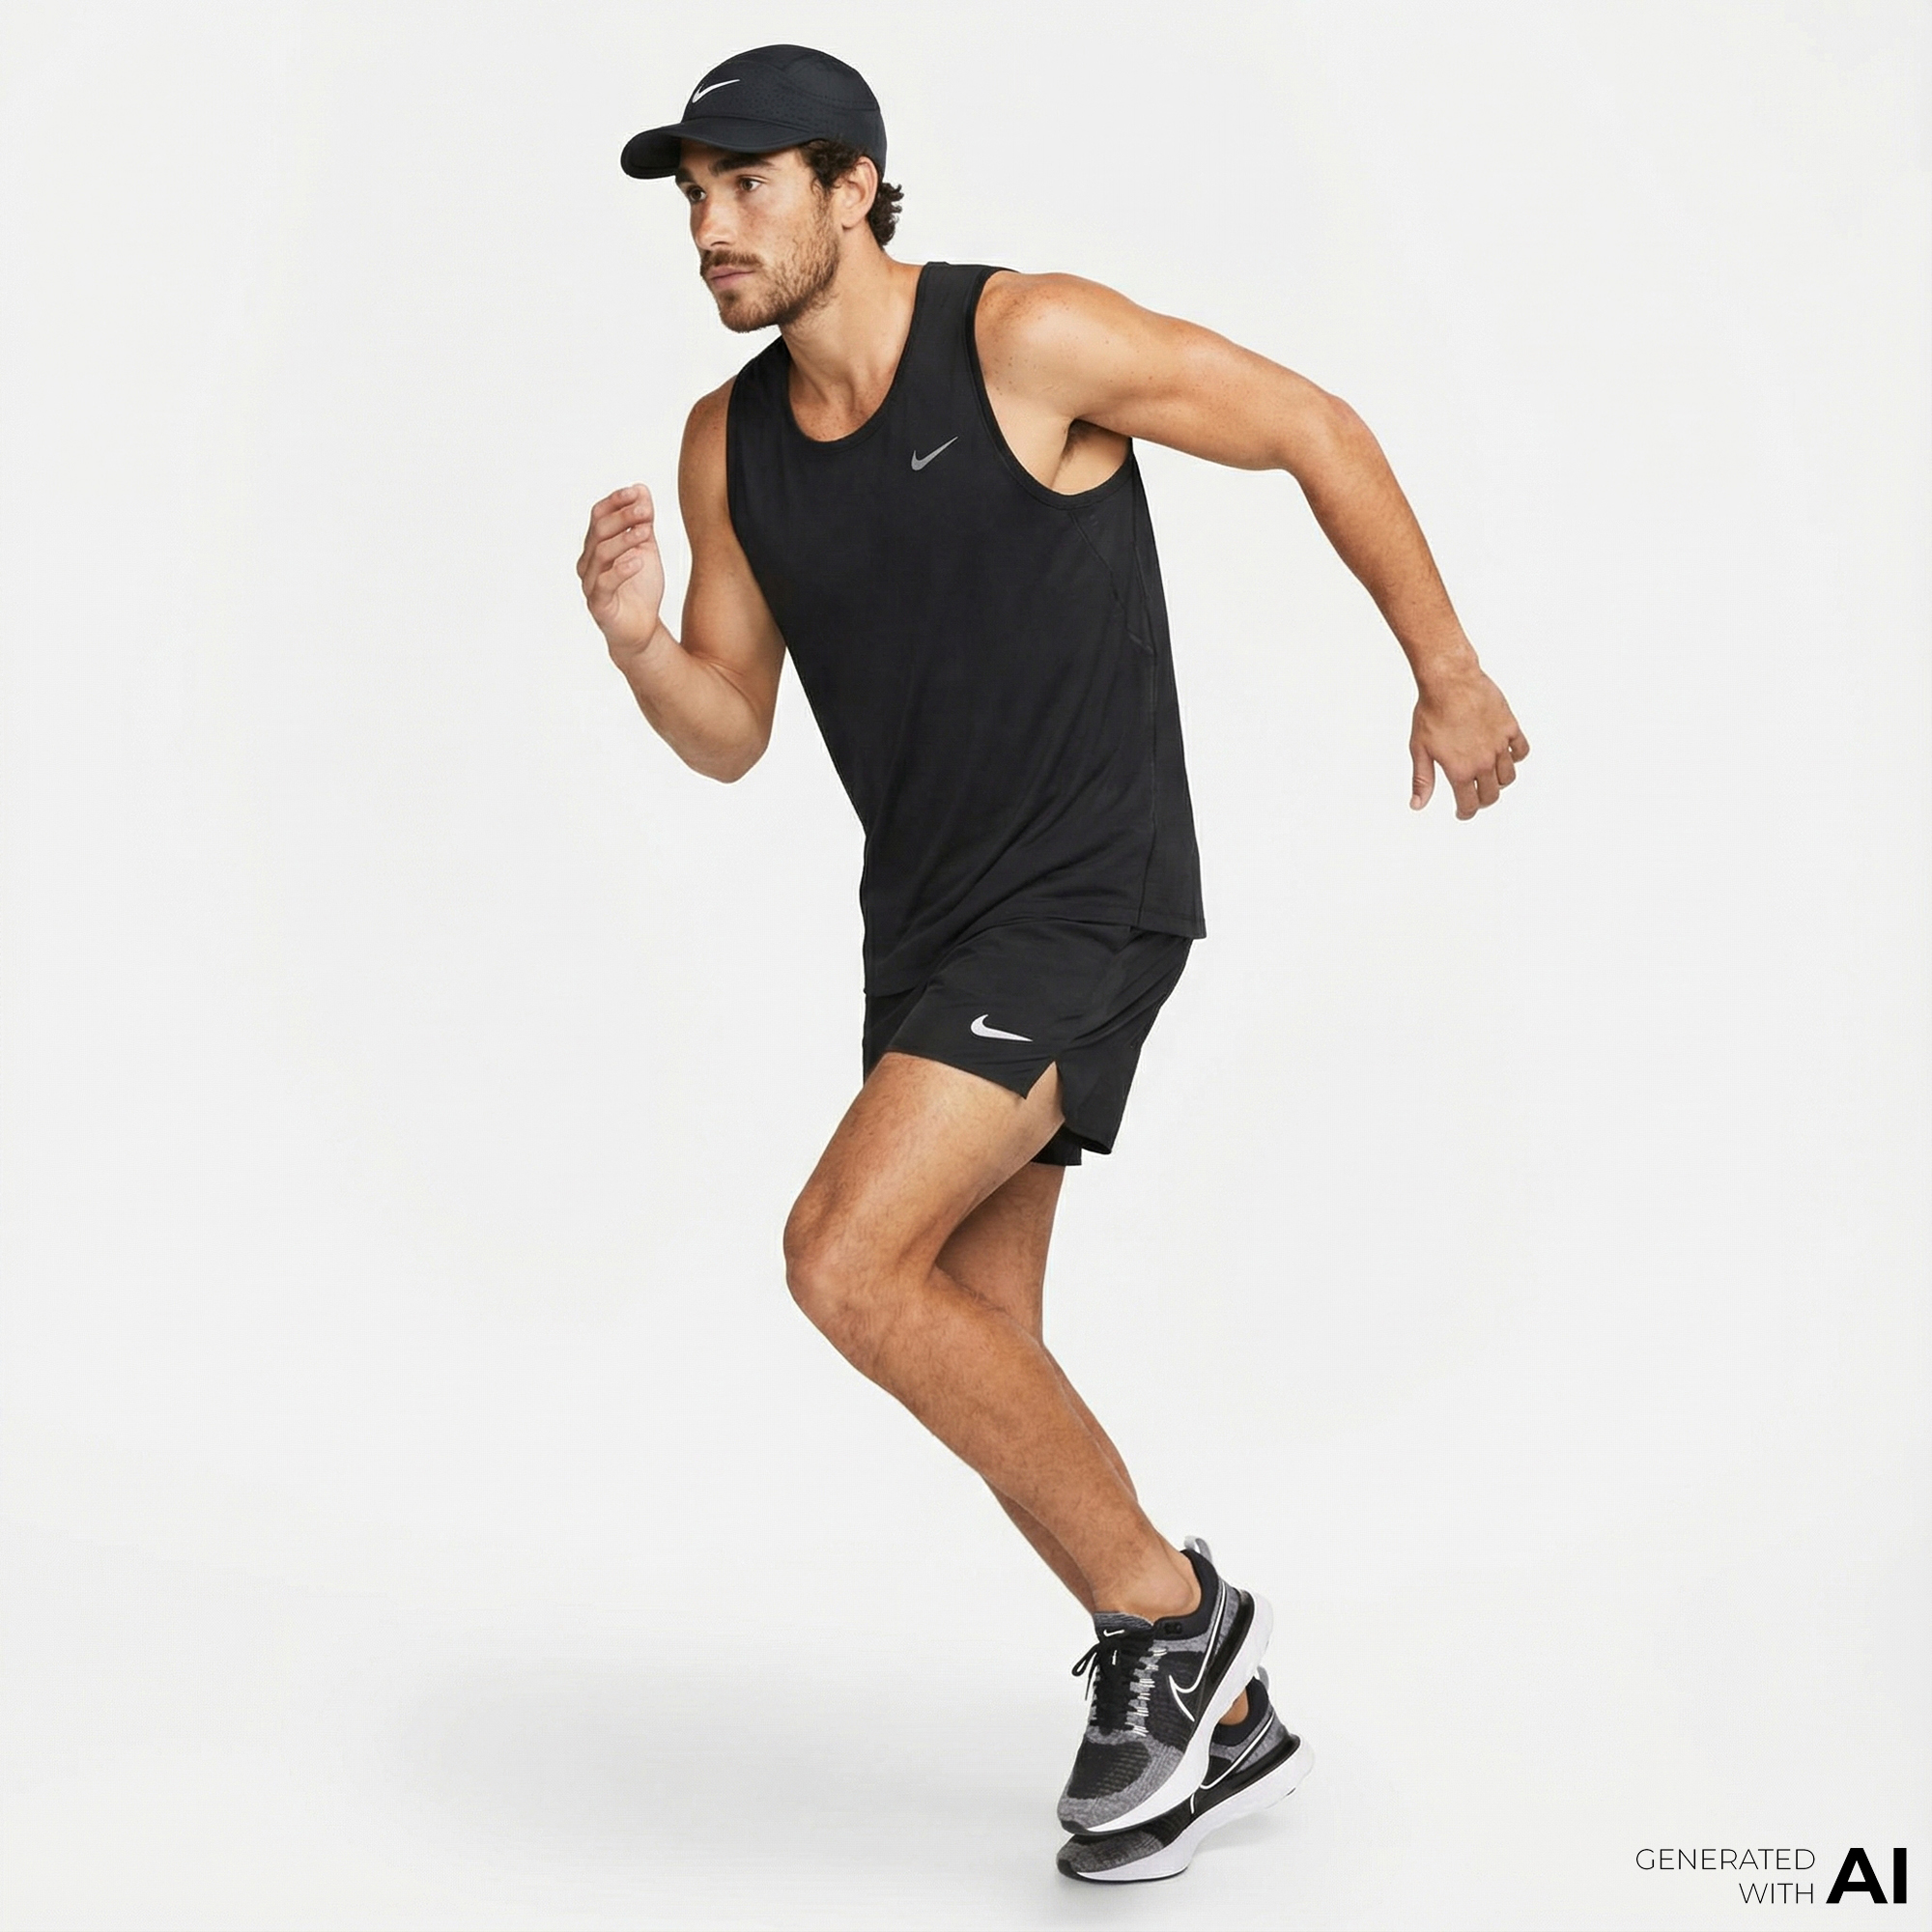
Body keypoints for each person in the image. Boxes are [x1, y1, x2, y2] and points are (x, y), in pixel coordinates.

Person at [578, 43, 1528, 1884]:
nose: (710, 228)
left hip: (1089, 897)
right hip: (927, 927)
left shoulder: (1022, 339)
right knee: (973, 1335)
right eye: (692, 196)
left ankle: (1174, 1621)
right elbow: (732, 728)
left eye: (748, 185)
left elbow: (1312, 423)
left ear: (855, 188)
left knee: (841, 1257)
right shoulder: (728, 443)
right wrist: (637, 649)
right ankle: (1217, 1722)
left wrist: (1450, 670)